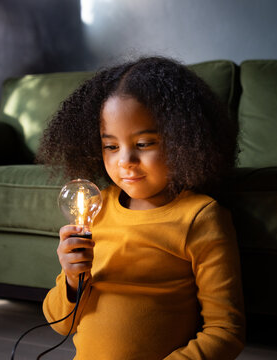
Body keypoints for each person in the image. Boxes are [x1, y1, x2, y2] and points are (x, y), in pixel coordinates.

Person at [36, 56, 245, 359]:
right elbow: (60, 324)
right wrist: (70, 279)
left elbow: (226, 331)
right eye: (111, 146)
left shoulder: (200, 217)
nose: (125, 161)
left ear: (184, 140)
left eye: (145, 143)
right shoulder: (96, 209)